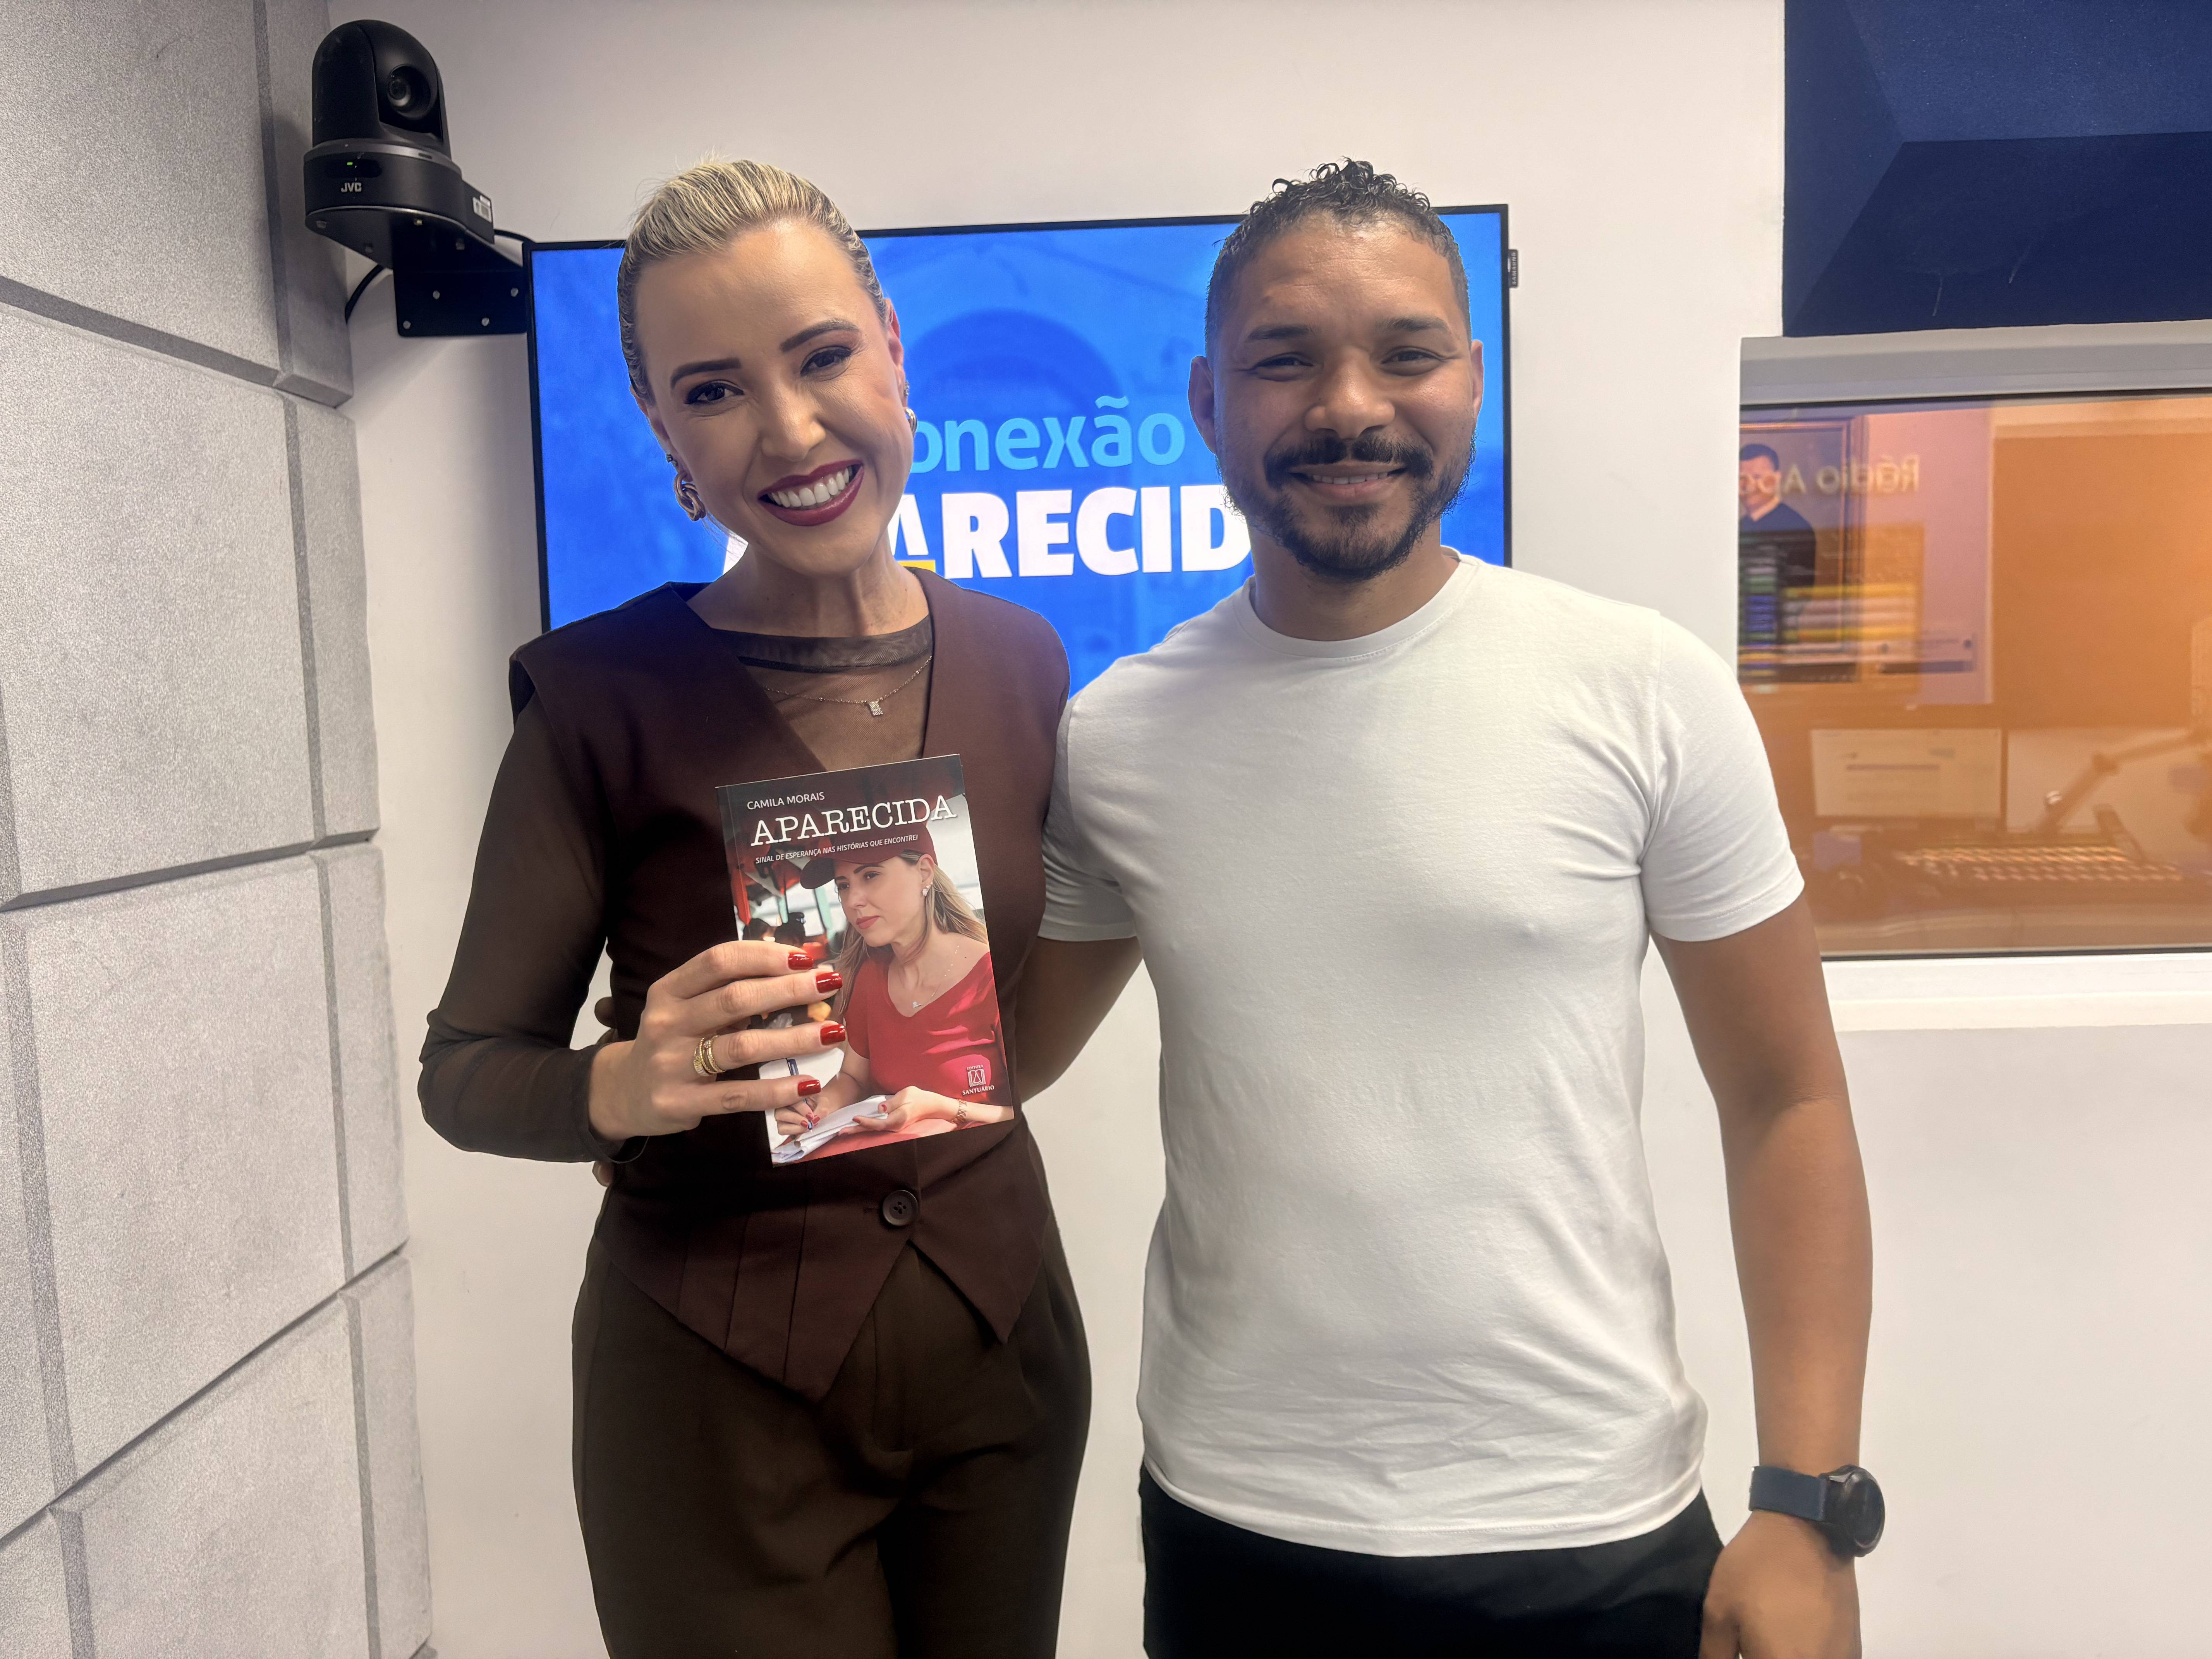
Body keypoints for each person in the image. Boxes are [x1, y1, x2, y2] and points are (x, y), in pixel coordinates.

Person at [1017, 162, 1874, 1659]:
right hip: (1236, 1523)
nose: (1349, 405)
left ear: (1471, 379)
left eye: (1405, 352)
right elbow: (999, 1056)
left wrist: (1806, 1503)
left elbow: (1785, 1096)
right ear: (1209, 399)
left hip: (1586, 1521)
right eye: (1286, 359)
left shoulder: (1641, 686)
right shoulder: (1118, 735)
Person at [421, 158, 1087, 1658]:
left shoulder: (1025, 660)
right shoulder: (597, 701)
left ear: (892, 349)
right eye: (713, 391)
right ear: (663, 430)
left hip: (1004, 1357)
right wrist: (621, 1085)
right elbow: (463, 1071)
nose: (788, 431)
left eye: (821, 356)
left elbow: (1028, 1007)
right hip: (716, 1404)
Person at [771, 834, 1017, 1157]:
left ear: (924, 873)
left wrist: (945, 1108)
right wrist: (818, 1108)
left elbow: (1034, 1112)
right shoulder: (869, 976)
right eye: (843, 886)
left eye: (871, 875)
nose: (852, 901)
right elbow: (853, 1078)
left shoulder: (997, 976)